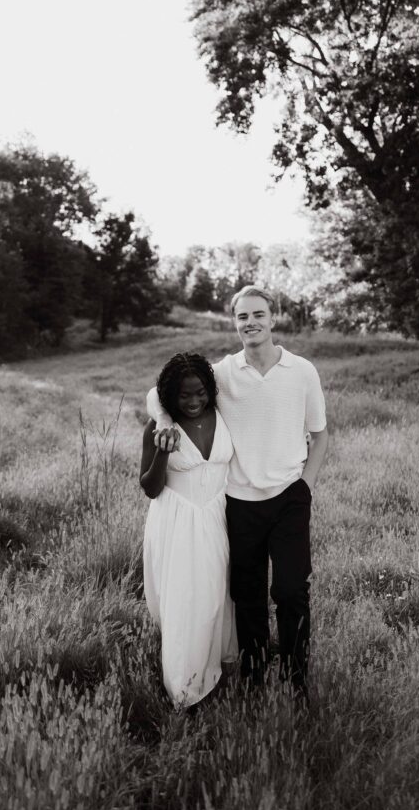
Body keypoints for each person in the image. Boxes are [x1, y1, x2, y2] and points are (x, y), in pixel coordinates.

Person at [148, 286, 328, 697]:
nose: (251, 322)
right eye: (242, 317)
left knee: (290, 591)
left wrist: (306, 486)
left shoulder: (301, 371)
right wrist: (162, 420)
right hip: (240, 503)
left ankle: (298, 680)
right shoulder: (222, 373)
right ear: (234, 323)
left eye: (258, 314)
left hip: (289, 498)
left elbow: (320, 436)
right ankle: (254, 678)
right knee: (246, 597)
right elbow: (157, 392)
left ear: (273, 318)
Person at [140, 351, 237, 708]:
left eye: (200, 393)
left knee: (217, 595)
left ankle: (219, 668)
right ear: (169, 396)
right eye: (184, 395)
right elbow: (150, 487)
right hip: (177, 520)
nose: (194, 401)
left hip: (218, 514)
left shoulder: (224, 414)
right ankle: (184, 691)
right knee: (185, 603)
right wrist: (163, 449)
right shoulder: (158, 427)